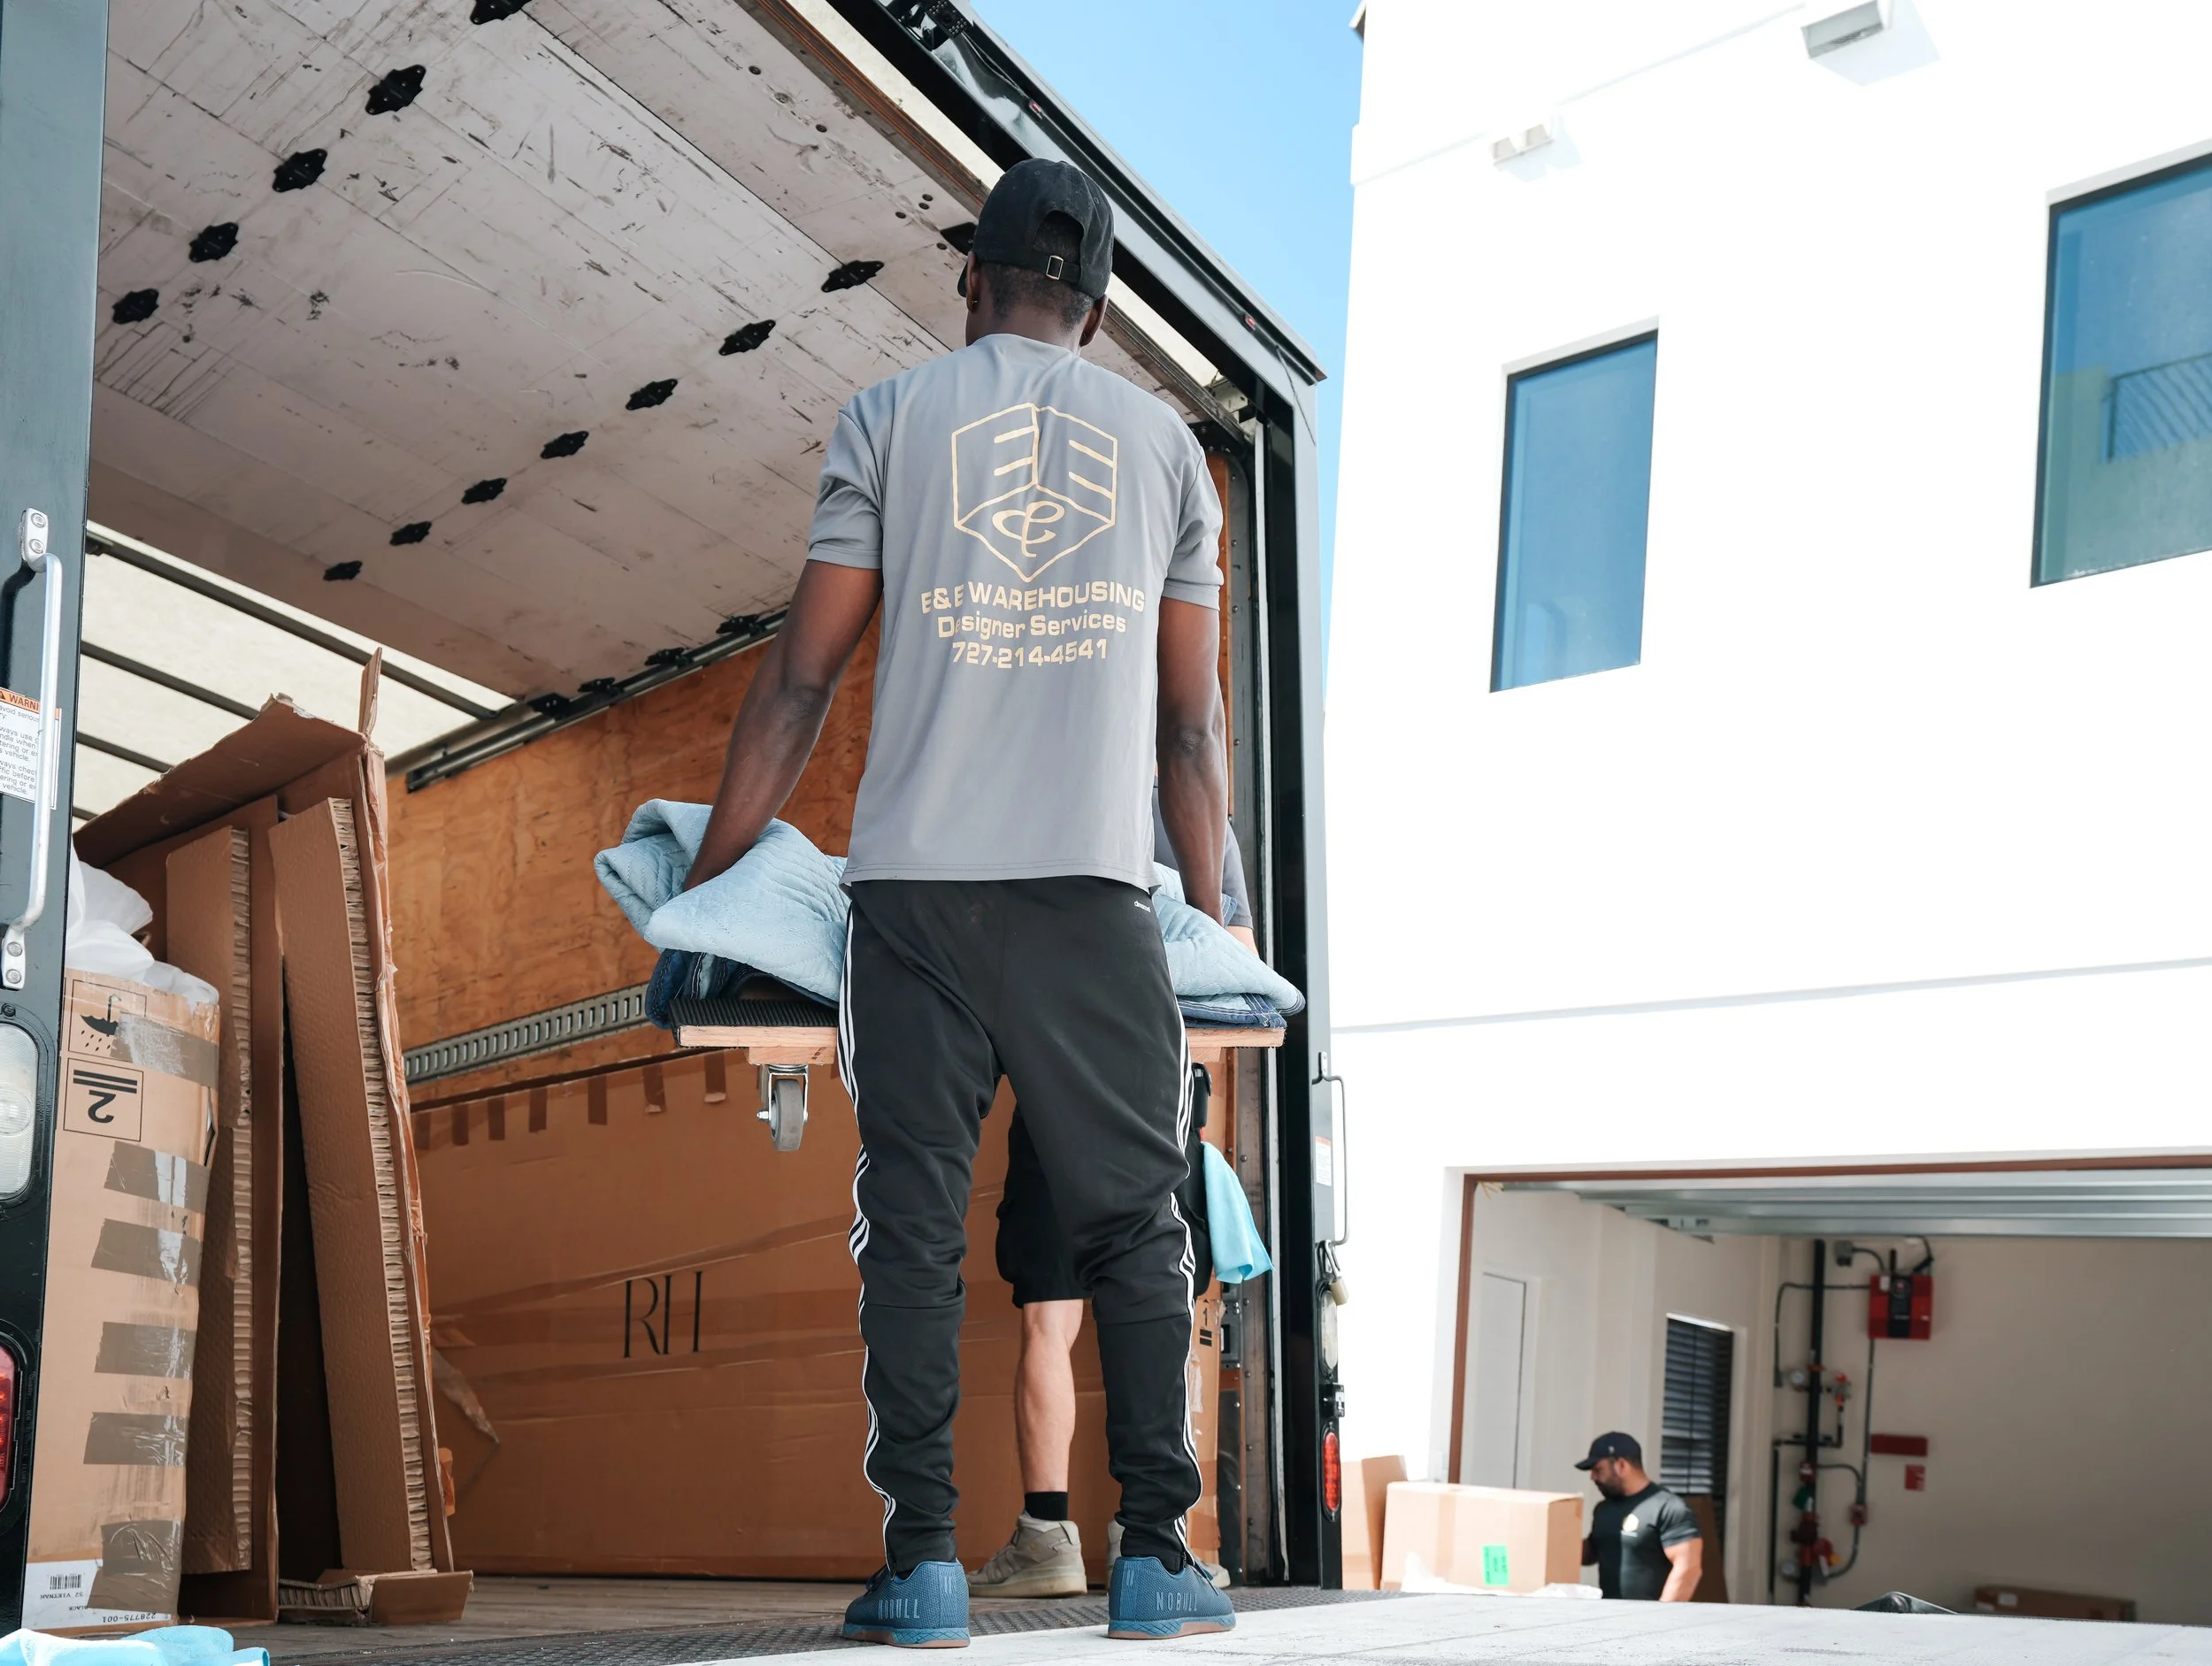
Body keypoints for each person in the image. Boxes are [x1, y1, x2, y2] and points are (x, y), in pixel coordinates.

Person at [682, 157, 1237, 1647]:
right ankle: (1153, 1556)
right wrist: (1219, 925)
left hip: (913, 898)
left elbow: (799, 680)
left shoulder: (888, 416)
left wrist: (708, 882)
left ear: (971, 279)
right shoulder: (1172, 450)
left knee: (908, 1224)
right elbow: (1192, 732)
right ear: (1099, 307)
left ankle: (924, 1566)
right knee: (1136, 1227)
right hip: (1087, 893)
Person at [970, 794, 1254, 1597]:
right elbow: (1238, 965)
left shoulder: (1050, 796)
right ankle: (1151, 1536)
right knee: (1159, 1305)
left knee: (1049, 1319)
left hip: (1057, 1081)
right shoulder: (1202, 821)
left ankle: (1047, 1537)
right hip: (1160, 1089)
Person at [1576, 1432, 1702, 1601]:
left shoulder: (1667, 1507)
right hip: (1608, 1618)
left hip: (1649, 1620)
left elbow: (1688, 1569)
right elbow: (1592, 1553)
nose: (1593, 1477)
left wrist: (1661, 1618)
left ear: (1621, 1465)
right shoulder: (1603, 1509)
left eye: (1598, 1470)